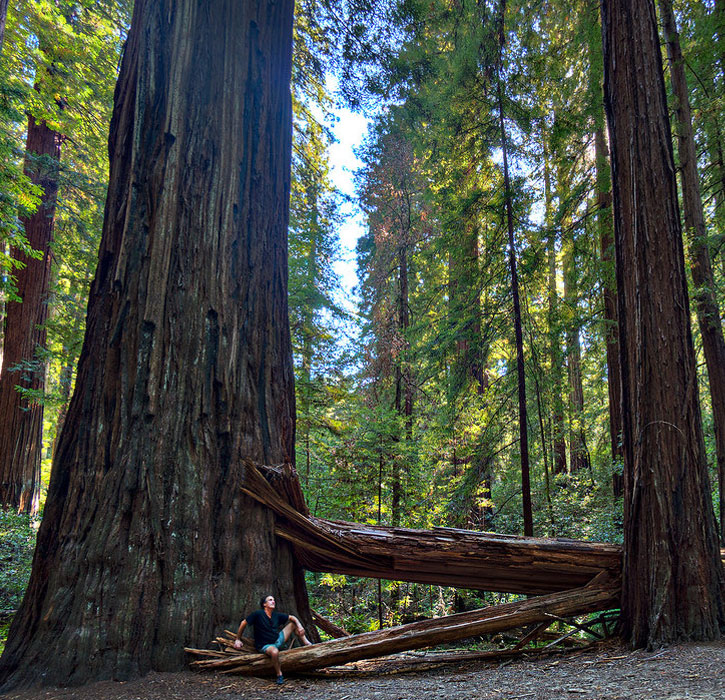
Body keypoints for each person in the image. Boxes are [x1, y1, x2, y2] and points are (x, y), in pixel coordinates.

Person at [233, 594, 312, 684]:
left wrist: (300, 625)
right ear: (264, 604)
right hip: (265, 645)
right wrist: (238, 639)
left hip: (278, 639)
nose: (273, 601)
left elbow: (292, 617)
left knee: (293, 624)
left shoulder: (276, 615)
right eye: (270, 600)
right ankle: (279, 674)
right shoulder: (258, 614)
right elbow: (244, 623)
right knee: (274, 652)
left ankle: (306, 643)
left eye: (273, 600)